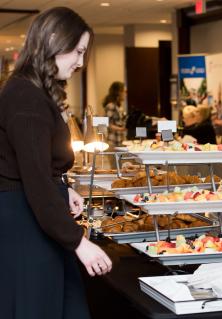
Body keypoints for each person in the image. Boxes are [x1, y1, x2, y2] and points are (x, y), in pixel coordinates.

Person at [0, 7, 112, 318]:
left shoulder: (28, 91)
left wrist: (65, 188)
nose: (80, 62)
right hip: (25, 224)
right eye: (77, 51)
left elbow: (37, 166)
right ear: (52, 40)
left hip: (32, 219)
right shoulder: (26, 97)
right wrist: (80, 243)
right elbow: (34, 179)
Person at [103, 81, 127, 147]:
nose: (125, 94)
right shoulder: (110, 106)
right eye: (124, 91)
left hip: (121, 140)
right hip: (113, 142)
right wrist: (122, 128)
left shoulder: (120, 107)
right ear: (118, 92)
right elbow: (107, 124)